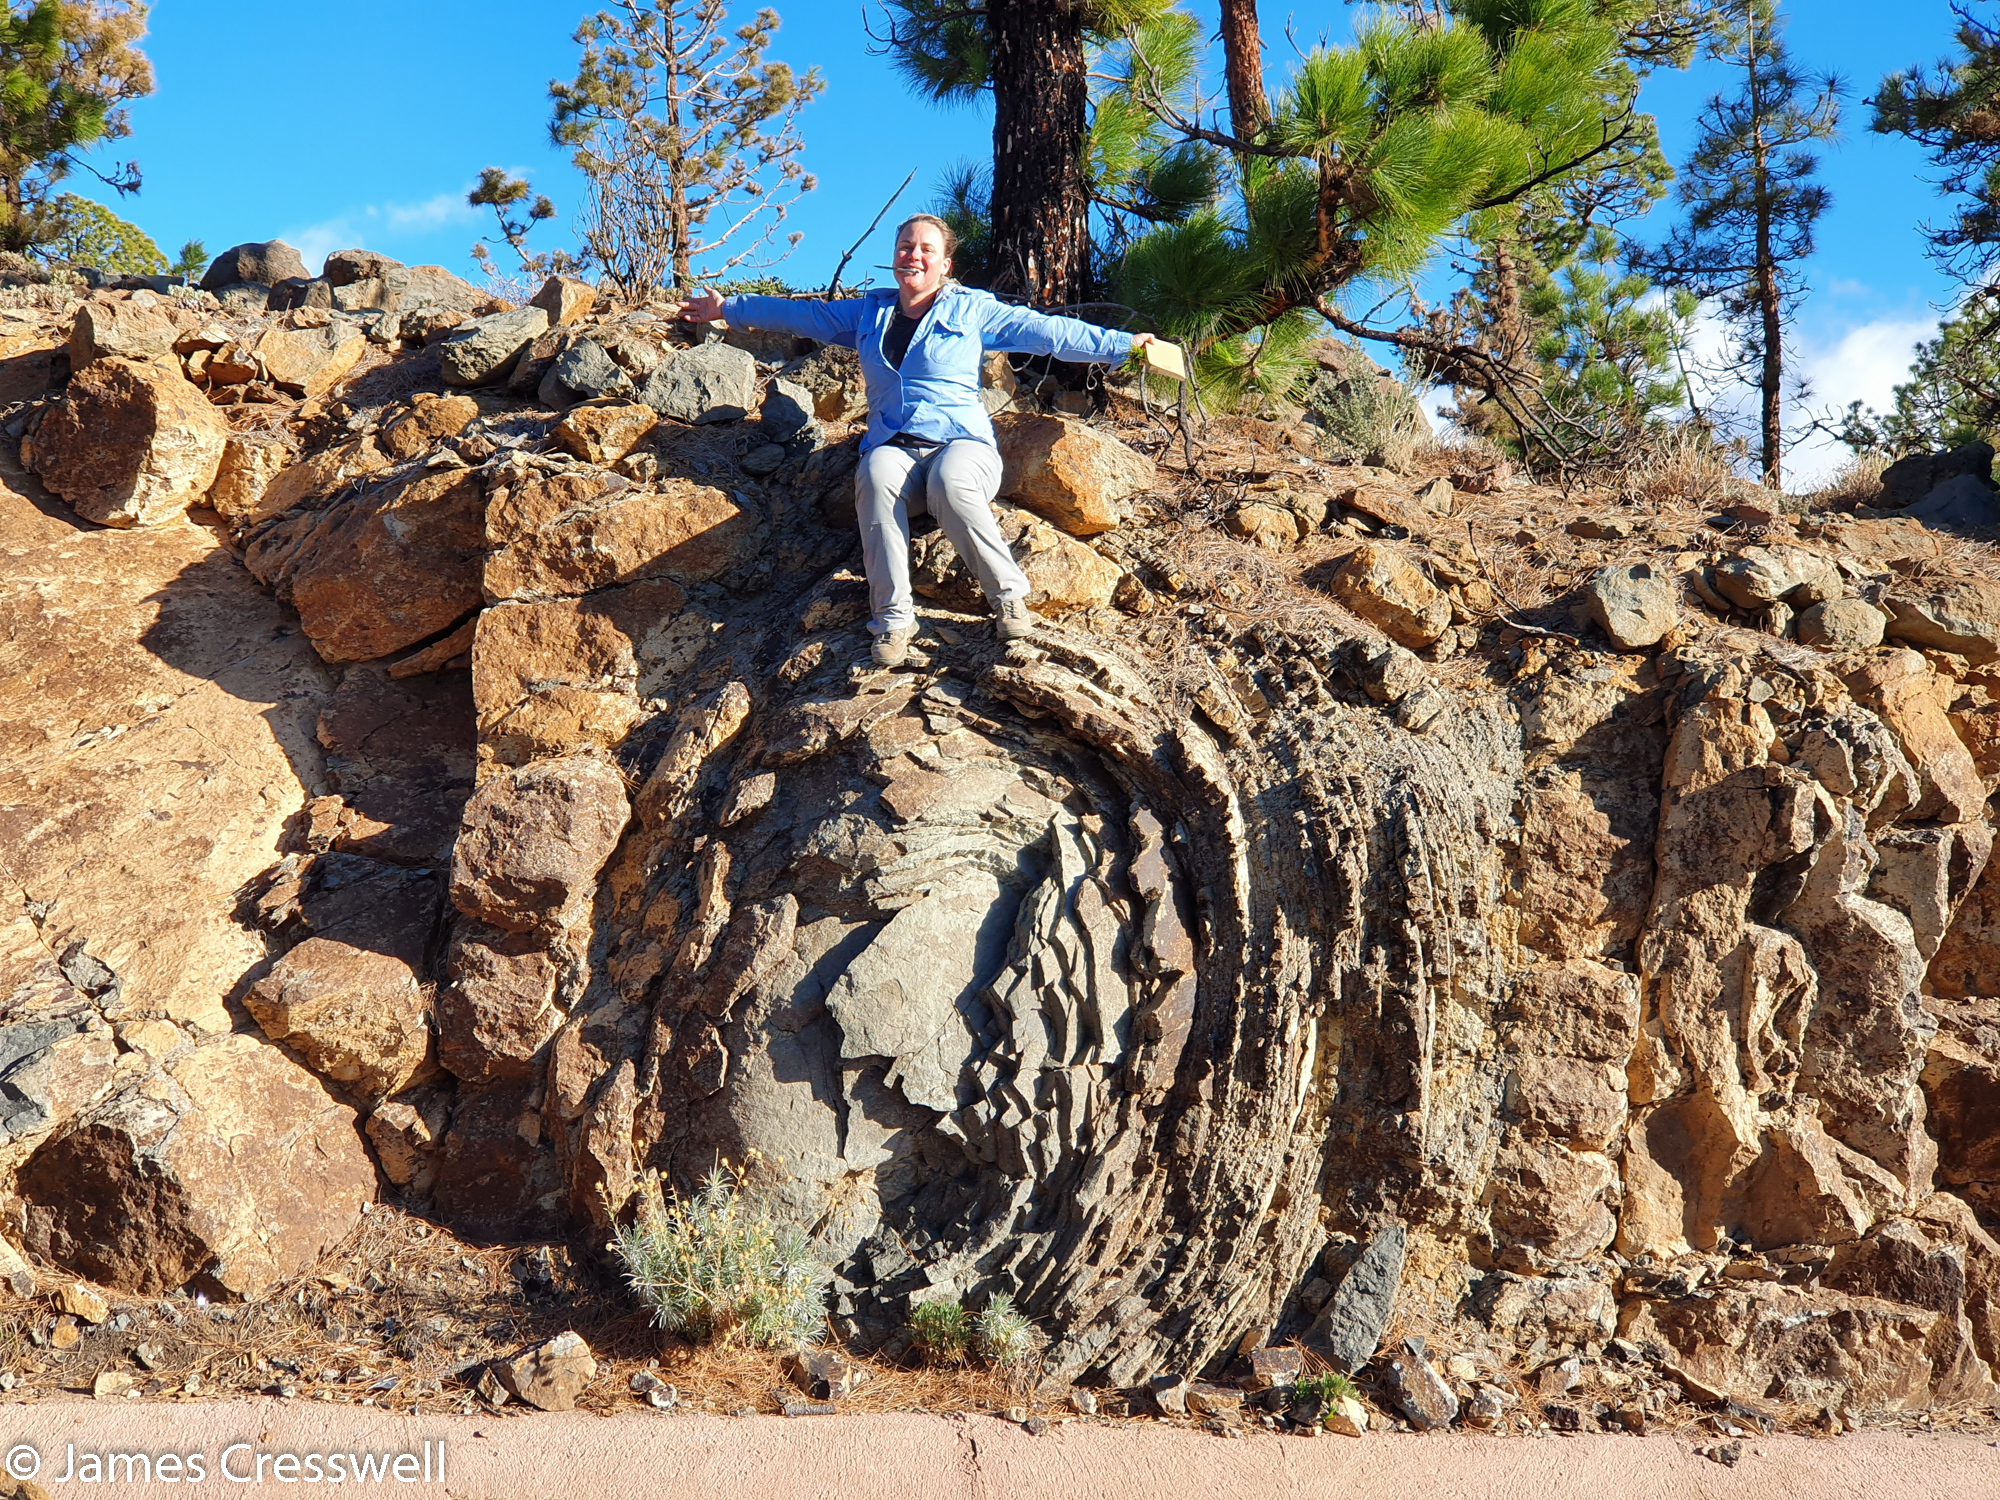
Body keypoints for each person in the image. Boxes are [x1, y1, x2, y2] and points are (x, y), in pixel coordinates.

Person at [674, 215, 1156, 666]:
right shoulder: (870, 312)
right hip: (895, 446)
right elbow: (803, 317)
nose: (913, 255)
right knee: (875, 475)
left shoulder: (973, 310)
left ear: (945, 264)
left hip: (962, 443)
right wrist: (729, 308)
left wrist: (1124, 346)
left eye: (926, 249)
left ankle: (1009, 600)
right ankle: (893, 619)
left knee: (951, 483)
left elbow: (1050, 332)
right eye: (906, 247)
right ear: (895, 256)